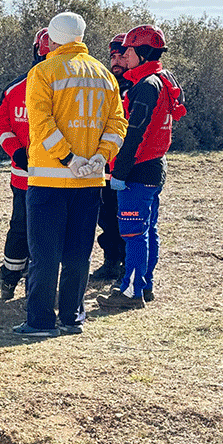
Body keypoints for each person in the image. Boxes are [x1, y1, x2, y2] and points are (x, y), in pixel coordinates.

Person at [14, 12, 127, 337]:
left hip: (49, 179)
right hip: (90, 180)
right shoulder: (105, 76)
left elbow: (41, 123)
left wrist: (68, 158)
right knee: (79, 253)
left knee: (45, 255)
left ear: (50, 39)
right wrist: (99, 158)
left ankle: (40, 322)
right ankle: (72, 318)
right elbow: (118, 124)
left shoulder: (43, 72)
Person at [97, 25, 187, 309]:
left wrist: (119, 172)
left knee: (134, 234)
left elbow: (134, 134)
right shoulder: (162, 79)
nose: (125, 56)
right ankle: (144, 285)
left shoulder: (146, 86)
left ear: (142, 53)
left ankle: (131, 293)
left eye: (130, 51)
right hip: (154, 166)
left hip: (138, 169)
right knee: (147, 231)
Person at [0, 28, 53, 300]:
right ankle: (10, 276)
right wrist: (16, 152)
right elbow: (1, 126)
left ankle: (37, 281)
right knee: (21, 227)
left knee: (48, 233)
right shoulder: (16, 89)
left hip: (59, 179)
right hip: (25, 178)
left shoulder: (71, 88)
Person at [90, 33, 130, 282]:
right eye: (112, 56)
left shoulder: (138, 88)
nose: (116, 61)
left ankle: (128, 263)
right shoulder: (106, 85)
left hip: (127, 166)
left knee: (127, 217)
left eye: (121, 56)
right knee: (106, 216)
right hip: (105, 164)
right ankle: (111, 261)